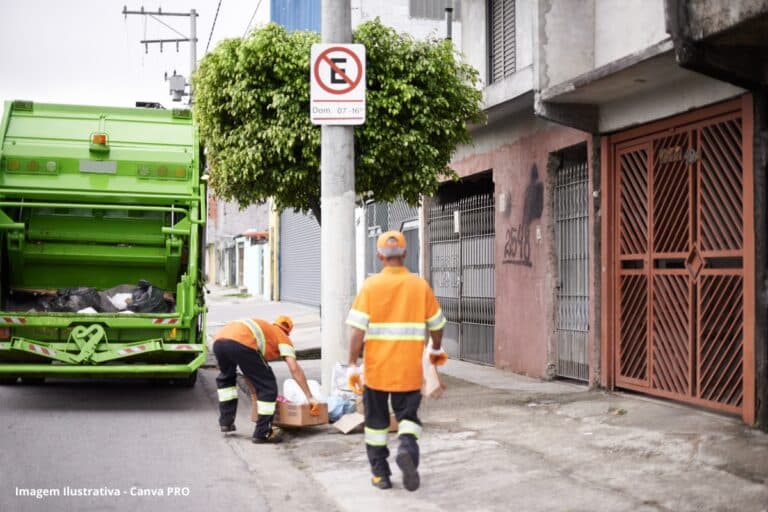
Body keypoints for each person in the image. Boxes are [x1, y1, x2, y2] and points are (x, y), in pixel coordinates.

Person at [346, 230, 448, 491]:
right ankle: (407, 448)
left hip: (377, 371)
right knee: (408, 418)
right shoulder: (419, 286)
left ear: (379, 256)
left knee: (376, 425)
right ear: (405, 253)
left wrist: (352, 364)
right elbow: (437, 325)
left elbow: (356, 331)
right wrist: (435, 349)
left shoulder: (370, 286)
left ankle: (380, 475)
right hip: (409, 370)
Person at [212, 315, 319, 443]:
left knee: (226, 380)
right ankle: (262, 433)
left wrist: (254, 394)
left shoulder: (266, 329)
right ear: (288, 332)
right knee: (268, 386)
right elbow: (294, 368)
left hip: (219, 341)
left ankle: (226, 422)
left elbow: (250, 371)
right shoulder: (283, 337)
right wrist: (309, 397)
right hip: (242, 343)